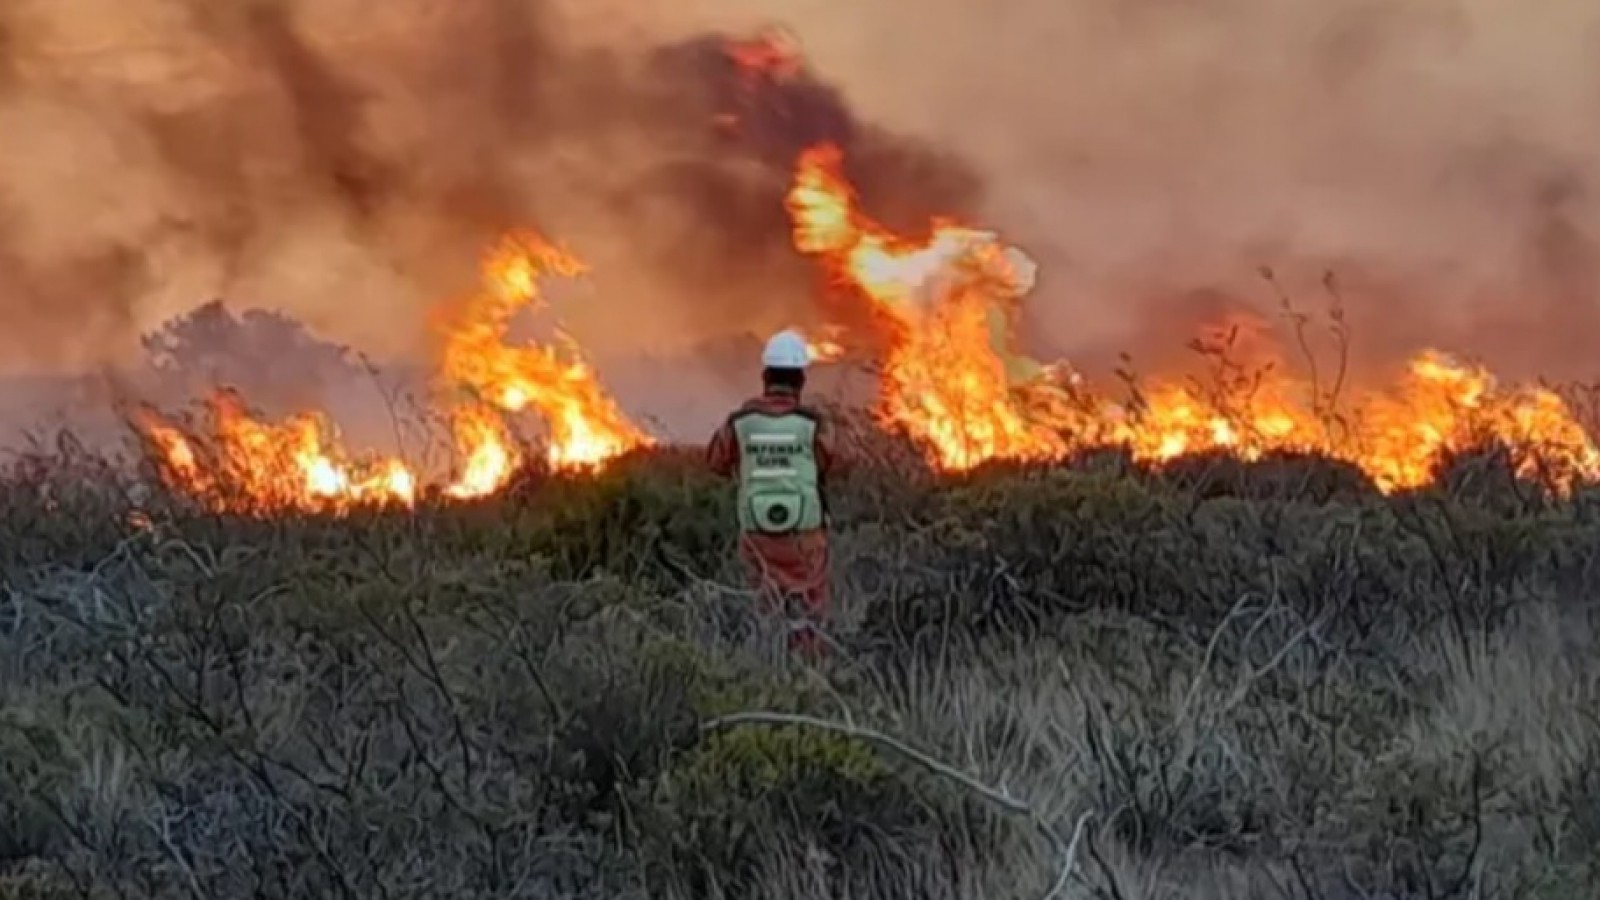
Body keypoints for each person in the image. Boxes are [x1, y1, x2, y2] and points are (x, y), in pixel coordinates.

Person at [707, 329, 835, 654]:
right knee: (809, 613)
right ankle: (807, 677)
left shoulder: (741, 422)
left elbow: (715, 462)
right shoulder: (811, 424)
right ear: (801, 382)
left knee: (762, 609)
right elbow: (834, 462)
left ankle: (764, 670)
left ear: (765, 377)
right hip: (804, 537)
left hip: (756, 536)